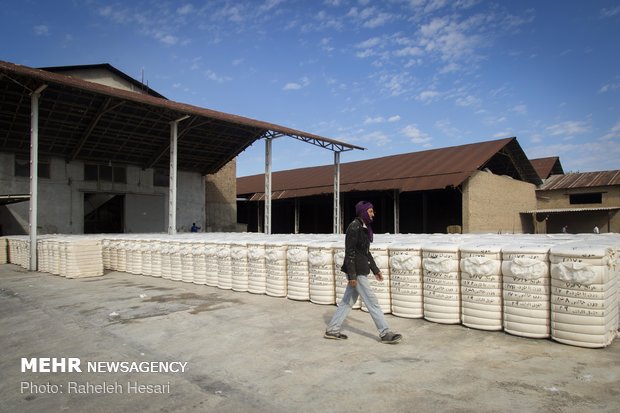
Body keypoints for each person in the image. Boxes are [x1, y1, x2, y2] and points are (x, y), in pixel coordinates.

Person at [324, 201, 402, 344]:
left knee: (347, 301)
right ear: (363, 212)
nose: (373, 214)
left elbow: (365, 252)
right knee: (372, 302)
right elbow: (350, 253)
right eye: (371, 211)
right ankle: (384, 332)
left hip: (361, 269)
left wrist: (375, 270)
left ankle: (332, 329)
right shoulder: (354, 227)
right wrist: (352, 276)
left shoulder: (364, 227)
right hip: (357, 272)